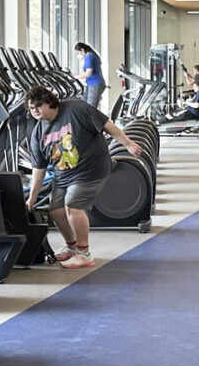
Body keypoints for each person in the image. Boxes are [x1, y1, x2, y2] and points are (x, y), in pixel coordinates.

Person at [23, 85, 145, 267]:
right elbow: (38, 169)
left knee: (72, 206)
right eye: (32, 108)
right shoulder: (38, 133)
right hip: (63, 176)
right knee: (56, 211)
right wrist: (32, 198)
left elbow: (107, 125)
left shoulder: (76, 109)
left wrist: (128, 144)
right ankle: (71, 247)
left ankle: (84, 252)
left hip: (91, 170)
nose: (35, 111)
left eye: (39, 106)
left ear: (49, 102)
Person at [75, 41, 105, 108]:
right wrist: (75, 75)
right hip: (91, 84)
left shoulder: (89, 56)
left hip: (95, 84)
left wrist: (76, 77)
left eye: (78, 53)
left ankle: (93, 118)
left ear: (82, 50)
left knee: (90, 108)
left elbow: (88, 73)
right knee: (83, 104)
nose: (78, 55)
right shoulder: (90, 56)